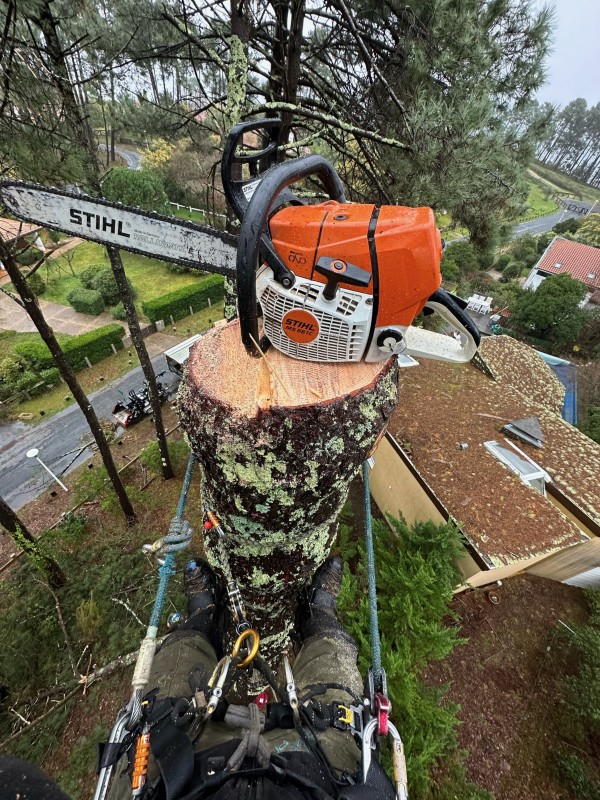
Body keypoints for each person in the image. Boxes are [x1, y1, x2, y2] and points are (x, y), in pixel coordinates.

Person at [0, 558, 397, 800]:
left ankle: (201, 620)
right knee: (335, 671)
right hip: (322, 778)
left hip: (175, 777)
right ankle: (318, 616)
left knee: (174, 671)